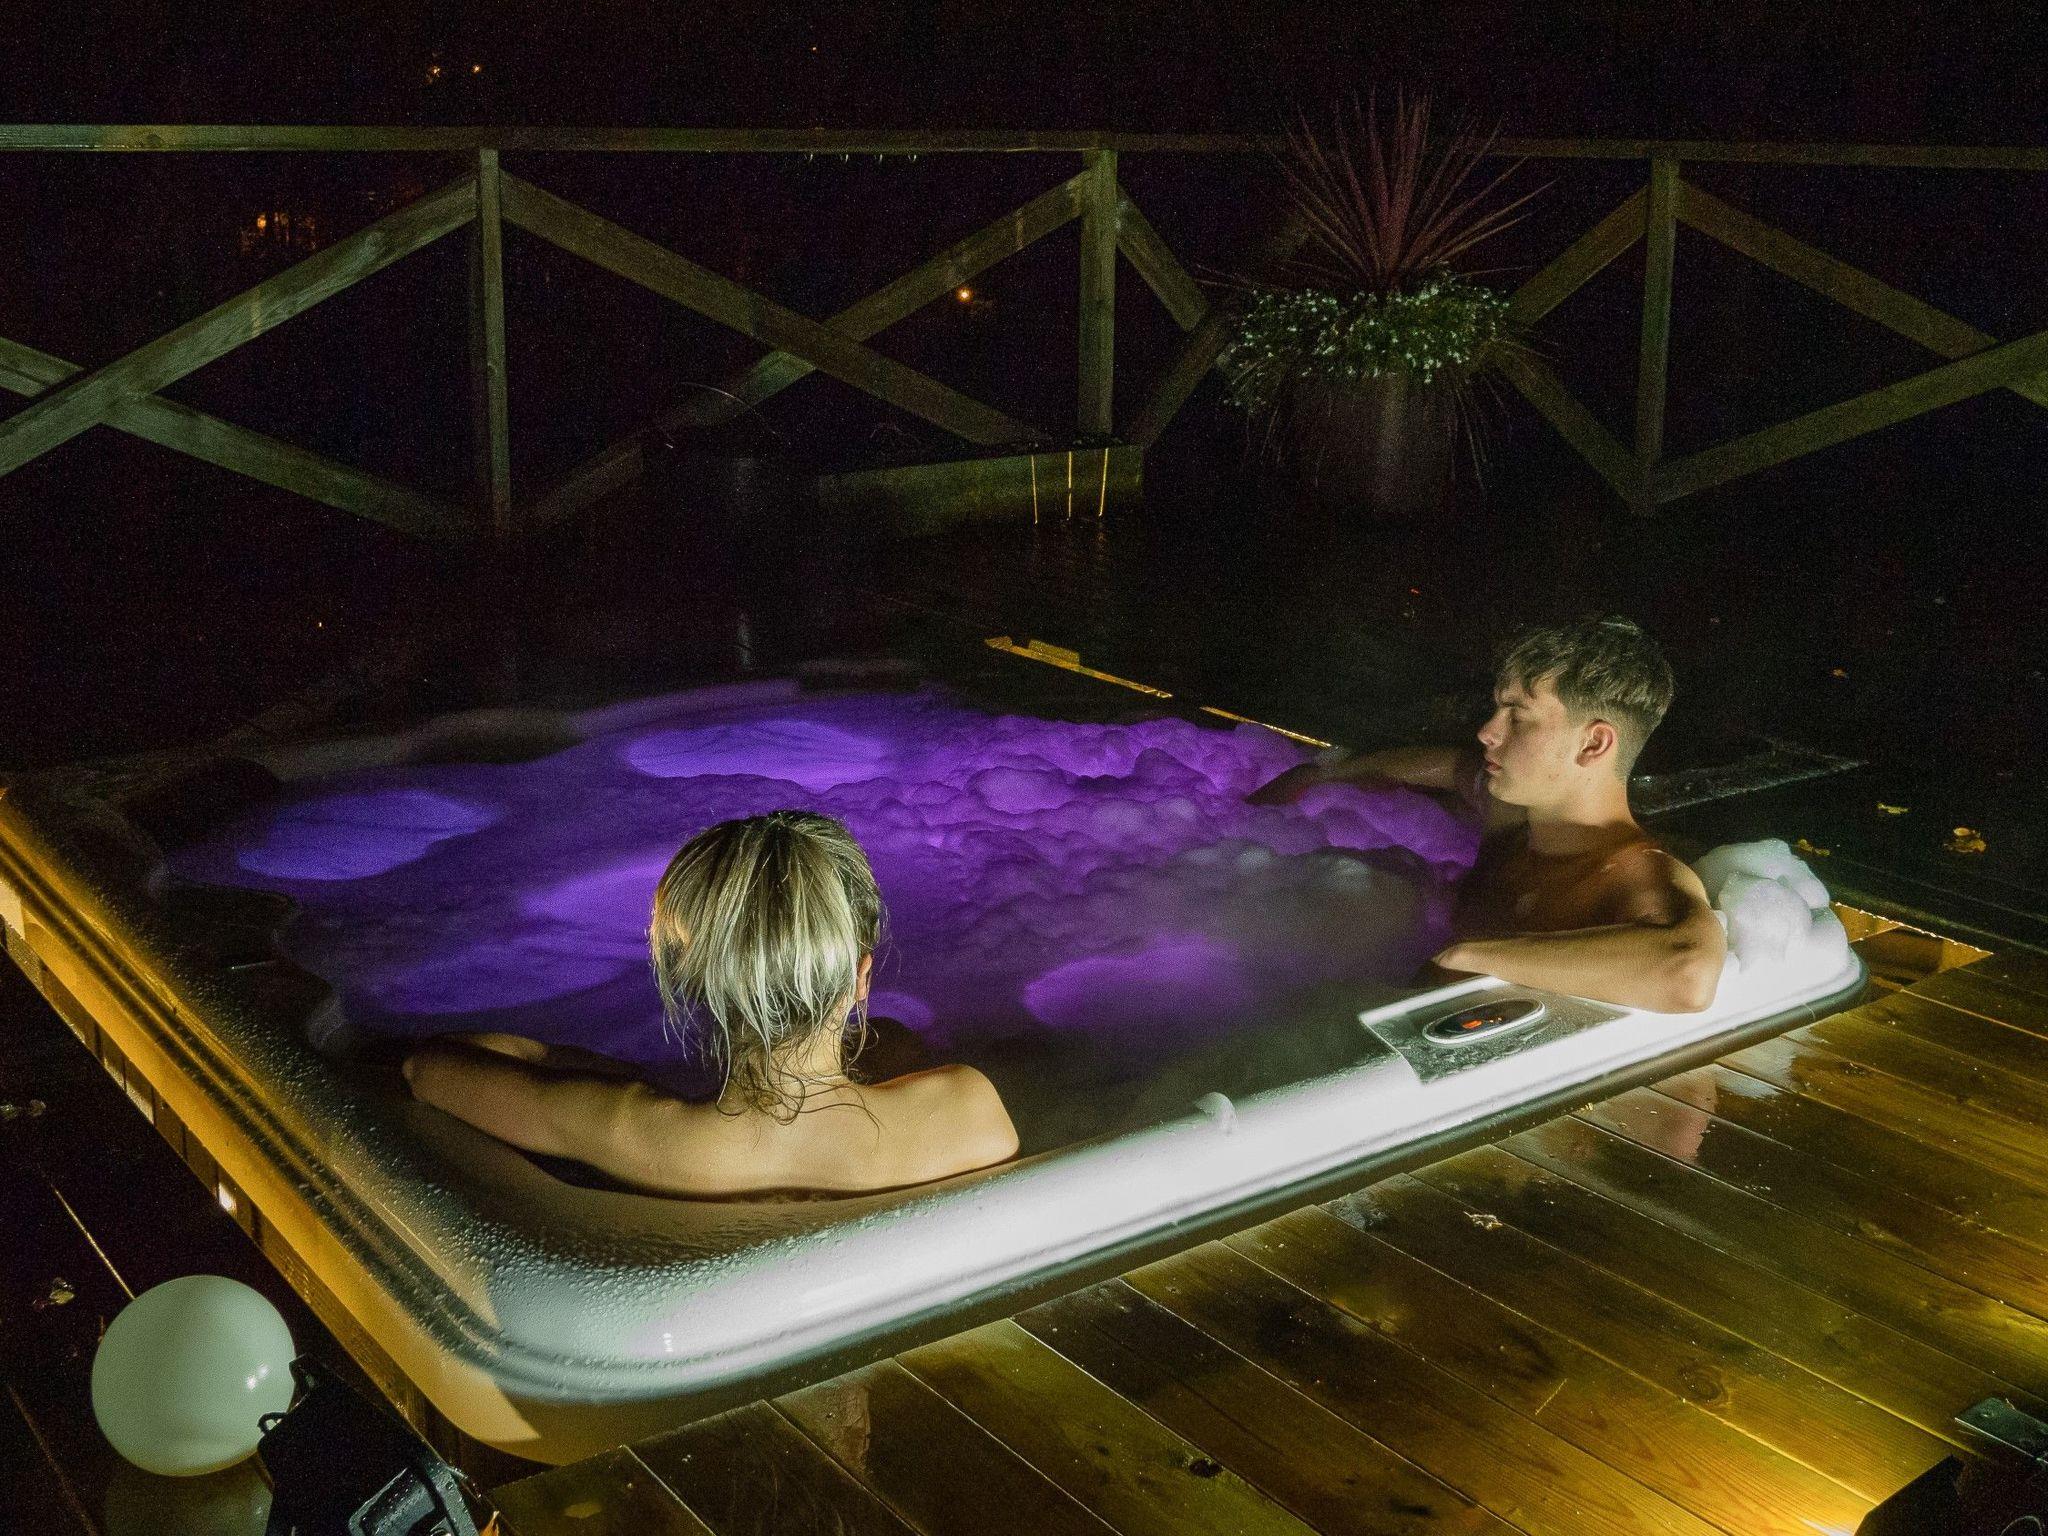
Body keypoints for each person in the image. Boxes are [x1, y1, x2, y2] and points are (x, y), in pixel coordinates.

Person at [402, 811, 1018, 1196]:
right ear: (861, 977)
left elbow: (427, 1069)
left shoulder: (637, 1130)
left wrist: (605, 1076)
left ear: (698, 981)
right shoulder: (967, 1107)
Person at [1250, 615, 1726, 1013]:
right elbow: (1455, 767)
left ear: (1593, 744)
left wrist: (1466, 958)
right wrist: (1327, 775)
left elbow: (1687, 973)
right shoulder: (1514, 824)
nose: (1487, 731)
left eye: (1517, 716)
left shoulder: (1634, 872)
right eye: (1497, 710)